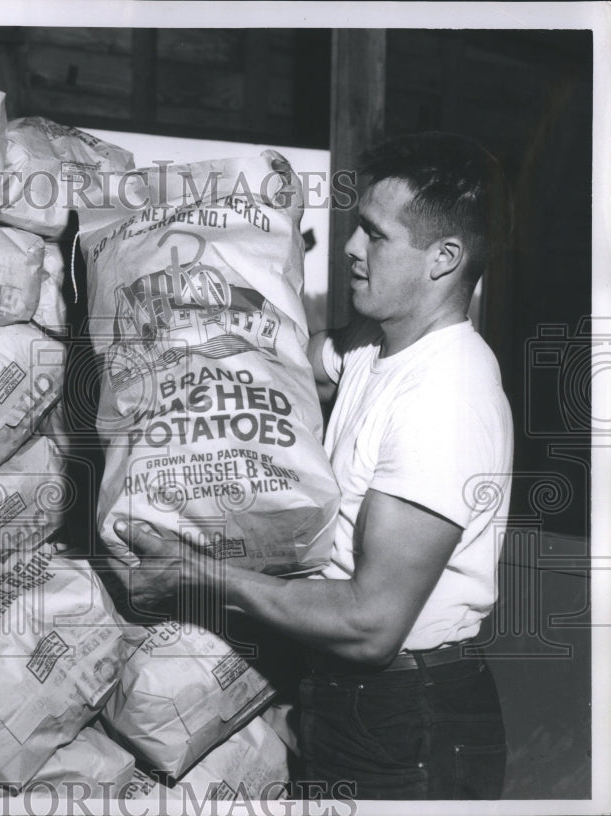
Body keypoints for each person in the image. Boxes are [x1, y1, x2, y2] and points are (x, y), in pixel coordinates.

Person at [110, 131, 514, 800]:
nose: (351, 249)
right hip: (348, 703)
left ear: (444, 259)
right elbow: (277, 356)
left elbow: (369, 624)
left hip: (410, 725)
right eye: (357, 227)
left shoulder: (448, 396)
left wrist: (202, 576)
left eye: (376, 237)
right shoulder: (373, 346)